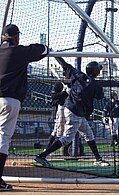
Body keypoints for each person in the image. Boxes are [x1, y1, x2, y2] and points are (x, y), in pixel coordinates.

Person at [35, 57, 110, 167]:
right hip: (75, 112)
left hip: (72, 110)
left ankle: (98, 158)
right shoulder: (95, 84)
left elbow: (64, 64)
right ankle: (42, 156)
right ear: (95, 71)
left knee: (89, 134)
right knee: (67, 138)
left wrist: (56, 55)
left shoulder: (78, 75)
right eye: (98, 69)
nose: (99, 71)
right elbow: (100, 97)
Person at [0, 24, 49, 191]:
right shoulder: (18, 51)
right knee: (3, 138)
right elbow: (43, 49)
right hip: (9, 100)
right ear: (15, 37)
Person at [46, 81, 69, 149]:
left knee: (56, 132)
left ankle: (48, 148)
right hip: (59, 113)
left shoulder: (69, 87)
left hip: (65, 112)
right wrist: (65, 90)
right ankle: (49, 149)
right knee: (58, 132)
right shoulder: (58, 90)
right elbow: (59, 96)